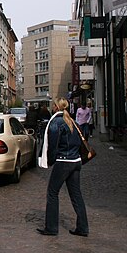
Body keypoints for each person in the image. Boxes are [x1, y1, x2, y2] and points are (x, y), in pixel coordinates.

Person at [37, 97, 89, 237]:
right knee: (76, 194)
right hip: (76, 161)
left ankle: (51, 228)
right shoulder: (73, 121)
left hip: (63, 161)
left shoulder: (56, 122)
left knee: (52, 193)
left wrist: (50, 160)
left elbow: (53, 145)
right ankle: (83, 228)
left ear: (55, 107)